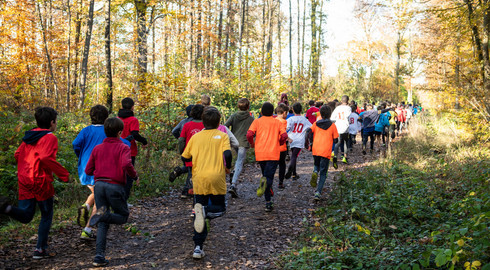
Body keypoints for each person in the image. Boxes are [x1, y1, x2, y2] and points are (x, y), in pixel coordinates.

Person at [0, 107, 70, 259]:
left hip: (24, 179)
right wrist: (64, 175)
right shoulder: (50, 137)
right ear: (52, 122)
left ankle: (6, 208)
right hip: (40, 181)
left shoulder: (30, 135)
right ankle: (40, 249)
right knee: (46, 214)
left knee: (26, 216)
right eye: (56, 121)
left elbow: (17, 153)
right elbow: (45, 157)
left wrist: (26, 167)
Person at [85, 117, 138, 267]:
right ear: (120, 132)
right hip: (114, 187)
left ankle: (99, 256)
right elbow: (127, 163)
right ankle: (104, 215)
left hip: (99, 186)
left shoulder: (97, 149)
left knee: (103, 222)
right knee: (123, 216)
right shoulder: (123, 147)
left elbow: (88, 170)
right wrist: (135, 176)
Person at [73, 105, 130, 240]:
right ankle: (87, 230)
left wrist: (81, 156)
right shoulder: (107, 131)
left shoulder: (85, 131)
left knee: (95, 192)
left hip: (86, 168)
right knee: (100, 204)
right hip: (102, 170)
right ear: (106, 117)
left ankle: (86, 206)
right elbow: (122, 144)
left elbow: (75, 144)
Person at [181, 107, 232, 259]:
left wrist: (194, 160)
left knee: (199, 215)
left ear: (203, 121)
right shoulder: (222, 135)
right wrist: (228, 167)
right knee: (220, 208)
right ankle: (205, 211)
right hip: (217, 178)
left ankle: (197, 247)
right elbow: (228, 153)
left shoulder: (195, 138)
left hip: (199, 179)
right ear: (218, 122)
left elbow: (185, 157)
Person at [247, 102, 288, 211]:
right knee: (268, 177)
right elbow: (284, 135)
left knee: (265, 175)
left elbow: (249, 134)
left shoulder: (257, 121)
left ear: (261, 111)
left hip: (260, 152)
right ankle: (268, 203)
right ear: (273, 112)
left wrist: (252, 143)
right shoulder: (277, 122)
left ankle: (267, 191)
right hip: (273, 153)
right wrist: (280, 142)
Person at [305, 105, 338, 200]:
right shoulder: (332, 125)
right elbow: (336, 140)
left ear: (321, 114)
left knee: (316, 164)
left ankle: (315, 171)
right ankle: (318, 192)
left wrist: (307, 143)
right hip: (326, 151)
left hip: (316, 149)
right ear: (330, 114)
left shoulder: (316, 123)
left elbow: (308, 131)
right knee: (323, 173)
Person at [117, 97, 147, 202]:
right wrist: (144, 141)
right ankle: (124, 200)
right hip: (130, 150)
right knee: (129, 175)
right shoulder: (133, 120)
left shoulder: (117, 119)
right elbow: (135, 134)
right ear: (132, 107)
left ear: (121, 106)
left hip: (116, 150)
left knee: (118, 174)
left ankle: (118, 199)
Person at [224, 98, 254, 198]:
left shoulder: (234, 116)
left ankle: (233, 173)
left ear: (238, 106)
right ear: (248, 107)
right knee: (240, 162)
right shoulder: (251, 119)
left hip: (234, 141)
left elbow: (225, 126)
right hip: (243, 142)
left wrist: (229, 136)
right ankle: (233, 185)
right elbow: (253, 132)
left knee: (238, 161)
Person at [178, 104, 205, 198]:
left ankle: (189, 190)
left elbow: (181, 140)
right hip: (202, 154)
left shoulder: (187, 125)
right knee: (196, 173)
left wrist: (182, 151)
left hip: (189, 153)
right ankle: (187, 191)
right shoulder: (205, 125)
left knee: (191, 171)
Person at [285, 102, 312, 180]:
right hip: (300, 139)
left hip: (291, 138)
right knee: (294, 156)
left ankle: (294, 174)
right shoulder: (304, 119)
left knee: (294, 155)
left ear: (293, 110)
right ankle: (291, 168)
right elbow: (311, 127)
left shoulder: (290, 119)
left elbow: (286, 128)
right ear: (301, 110)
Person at [169, 105, 194, 182]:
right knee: (192, 169)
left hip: (184, 147)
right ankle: (187, 189)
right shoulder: (195, 122)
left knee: (187, 166)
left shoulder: (183, 122)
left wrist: (180, 138)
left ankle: (178, 171)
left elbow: (174, 131)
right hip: (193, 147)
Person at [331, 95, 352, 164]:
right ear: (347, 101)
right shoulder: (349, 108)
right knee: (346, 142)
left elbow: (332, 118)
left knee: (337, 143)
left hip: (338, 127)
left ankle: (335, 157)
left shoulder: (337, 108)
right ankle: (345, 157)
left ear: (341, 101)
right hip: (345, 127)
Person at [275, 103, 289, 189]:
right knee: (282, 165)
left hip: (273, 147)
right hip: (282, 147)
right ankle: (280, 182)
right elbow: (284, 134)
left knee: (273, 165)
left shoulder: (273, 120)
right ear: (284, 113)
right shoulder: (284, 122)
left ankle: (268, 181)